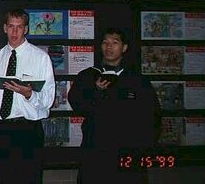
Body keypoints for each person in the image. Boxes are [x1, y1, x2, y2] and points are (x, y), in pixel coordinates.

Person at [68, 28, 161, 184]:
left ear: (124, 47)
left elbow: (153, 115)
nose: (108, 47)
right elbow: (77, 104)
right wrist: (96, 91)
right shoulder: (88, 75)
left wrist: (145, 147)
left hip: (129, 149)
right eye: (105, 42)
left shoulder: (137, 80)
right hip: (96, 147)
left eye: (114, 43)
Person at [0, 9, 55, 184]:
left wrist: (29, 94)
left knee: (30, 180)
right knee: (5, 179)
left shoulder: (40, 58)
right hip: (1, 130)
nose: (15, 32)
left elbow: (48, 101)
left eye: (19, 27)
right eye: (11, 26)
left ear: (26, 29)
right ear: (4, 28)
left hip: (28, 130)